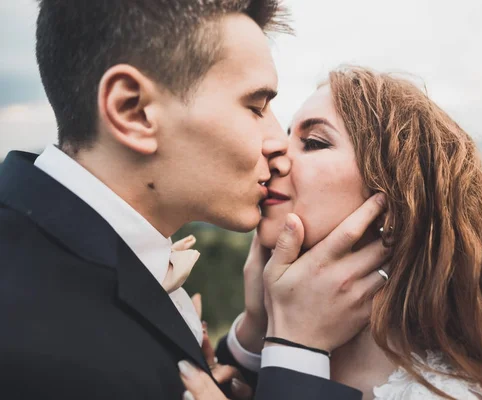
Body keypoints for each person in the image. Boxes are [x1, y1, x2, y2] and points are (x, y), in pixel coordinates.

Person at [0, 2, 390, 399]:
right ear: (132, 111)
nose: (279, 144)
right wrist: (297, 350)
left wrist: (253, 339)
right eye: (256, 107)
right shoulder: (37, 347)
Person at [183, 67, 482, 400]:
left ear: (396, 198)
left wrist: (296, 347)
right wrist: (257, 325)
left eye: (313, 142)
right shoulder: (273, 339)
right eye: (286, 135)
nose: (275, 151)